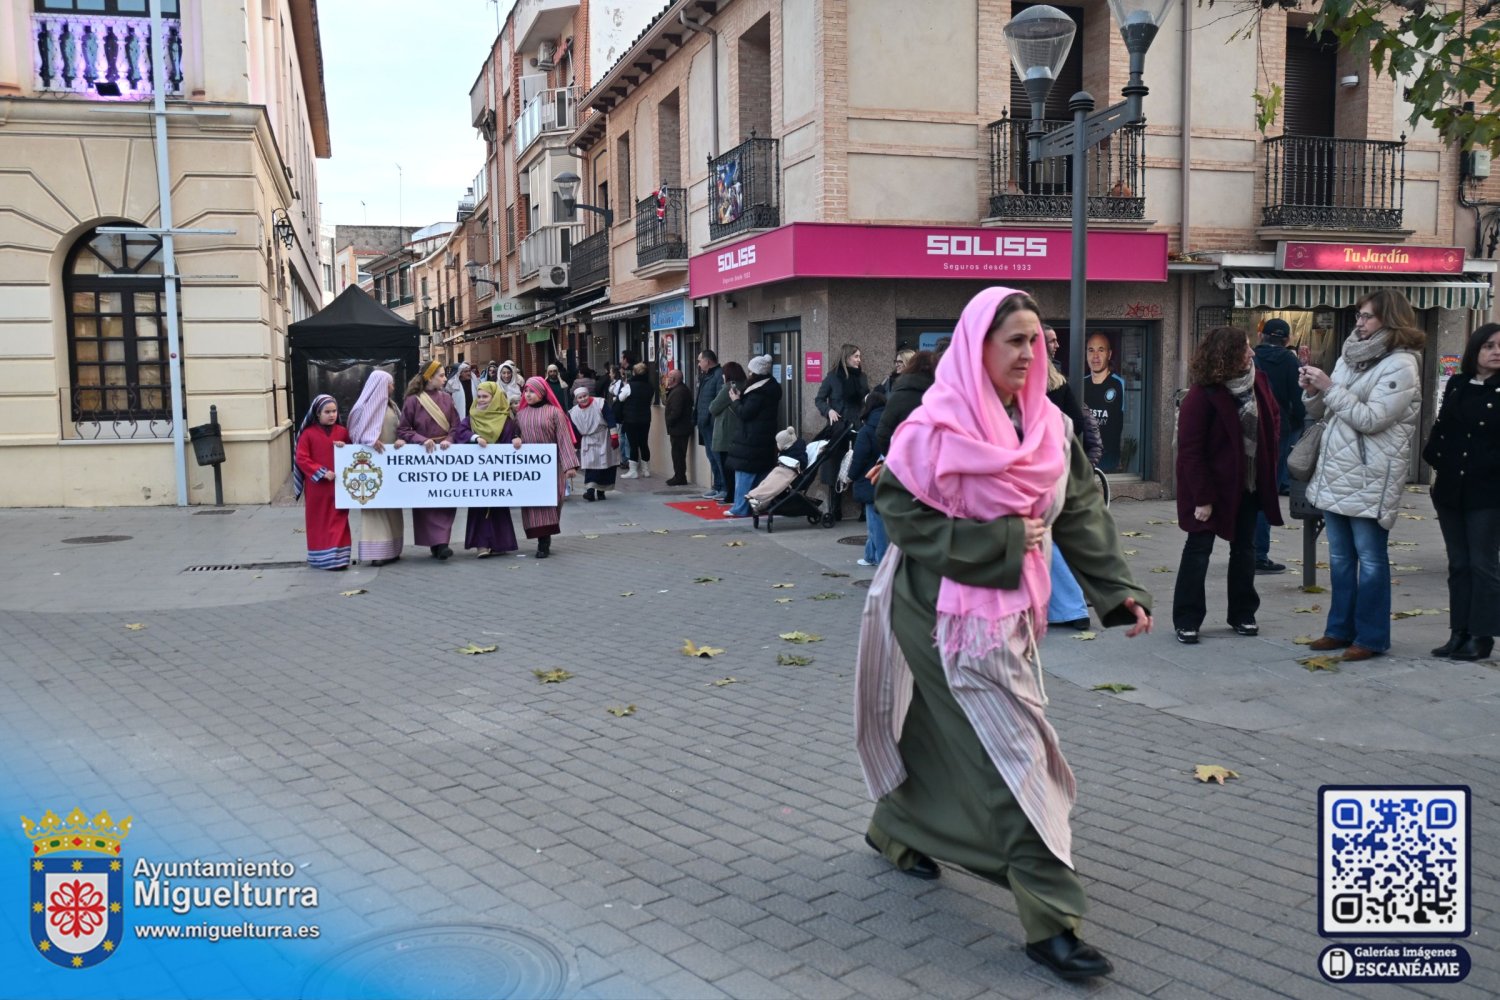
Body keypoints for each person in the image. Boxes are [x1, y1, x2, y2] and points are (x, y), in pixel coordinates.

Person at [854, 286, 1150, 983]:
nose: (1029, 351)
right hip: (937, 612)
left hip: (1009, 611)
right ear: (976, 346)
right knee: (1011, 755)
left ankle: (896, 827)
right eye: (1014, 339)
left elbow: (1080, 508)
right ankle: (1051, 919)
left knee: (941, 732)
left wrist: (1117, 590)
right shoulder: (933, 426)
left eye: (1035, 339)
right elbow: (901, 513)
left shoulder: (1049, 424)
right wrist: (1002, 541)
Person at [1300, 289, 1424, 661]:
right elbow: (1326, 412)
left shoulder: (1401, 364)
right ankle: (1338, 629)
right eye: (1358, 315)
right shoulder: (1350, 355)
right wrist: (1313, 392)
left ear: (1390, 319)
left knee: (1370, 560)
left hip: (1371, 474)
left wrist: (1330, 387)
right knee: (1339, 559)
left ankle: (1371, 637)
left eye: (1367, 316)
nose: (1359, 322)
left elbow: (1372, 419)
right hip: (1336, 470)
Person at [1171, 326, 1283, 644]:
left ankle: (1243, 614)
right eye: (1245, 347)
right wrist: (1203, 498)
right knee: (1199, 549)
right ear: (1228, 354)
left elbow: (1273, 418)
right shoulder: (1202, 394)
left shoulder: (1258, 381)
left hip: (1247, 483)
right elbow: (1191, 451)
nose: (1252, 352)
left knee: (1245, 548)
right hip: (1210, 486)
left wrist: (1265, 459)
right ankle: (1187, 618)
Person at [1422, 322, 1500, 661]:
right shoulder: (1457, 383)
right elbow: (1442, 426)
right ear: (1475, 349)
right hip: (1451, 488)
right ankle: (1459, 631)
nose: (1496, 352)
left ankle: (1481, 635)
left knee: (1483, 563)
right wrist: (1436, 458)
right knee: (1458, 564)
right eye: (1489, 345)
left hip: (1488, 491)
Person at [1043, 331, 1101, 631]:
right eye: (1051, 341)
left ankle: (1070, 607)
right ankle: (1068, 606)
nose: (1057, 345)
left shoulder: (1025, 383)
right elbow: (1076, 423)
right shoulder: (1058, 382)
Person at [1252, 318, 1306, 573]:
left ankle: (1244, 550)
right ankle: (1259, 555)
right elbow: (1299, 399)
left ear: (1261, 336)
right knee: (1268, 490)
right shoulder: (1289, 361)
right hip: (1279, 429)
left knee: (1249, 489)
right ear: (1287, 340)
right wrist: (1295, 424)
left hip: (1251, 427)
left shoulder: (1252, 358)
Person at [512, 376, 580, 558]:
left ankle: (545, 538)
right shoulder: (521, 415)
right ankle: (541, 540)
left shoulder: (555, 413)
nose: (528, 395)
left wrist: (569, 466)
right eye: (526, 391)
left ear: (542, 392)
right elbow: (515, 434)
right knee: (533, 504)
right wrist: (516, 439)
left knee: (551, 502)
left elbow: (563, 439)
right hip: (529, 469)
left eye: (532, 391)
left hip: (552, 467)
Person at [397, 360, 459, 560]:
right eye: (441, 375)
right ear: (429, 377)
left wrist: (450, 439)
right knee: (427, 500)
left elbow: (456, 426)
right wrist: (422, 440)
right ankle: (437, 544)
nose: (444, 379)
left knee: (446, 498)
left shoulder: (447, 399)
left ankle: (443, 542)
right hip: (424, 456)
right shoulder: (413, 401)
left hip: (445, 455)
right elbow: (403, 429)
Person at [453, 381, 519, 559]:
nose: (481, 400)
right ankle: (481, 544)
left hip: (497, 473)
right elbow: (460, 433)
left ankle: (499, 543)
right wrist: (475, 438)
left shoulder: (505, 420)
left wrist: (516, 439)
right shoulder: (472, 417)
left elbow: (511, 437)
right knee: (479, 507)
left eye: (485, 397)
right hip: (477, 474)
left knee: (498, 507)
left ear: (495, 398)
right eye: (479, 396)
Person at [345, 369, 405, 566]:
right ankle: (377, 553)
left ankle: (392, 550)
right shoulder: (361, 408)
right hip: (371, 468)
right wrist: (368, 440)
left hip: (392, 466)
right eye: (390, 384)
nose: (393, 387)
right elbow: (354, 434)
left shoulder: (392, 406)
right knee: (375, 509)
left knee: (392, 507)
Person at [293, 394, 352, 571]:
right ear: (318, 413)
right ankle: (321, 558)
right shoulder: (308, 434)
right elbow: (301, 458)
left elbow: (354, 453)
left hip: (339, 486)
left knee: (339, 519)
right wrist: (321, 472)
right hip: (317, 488)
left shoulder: (342, 432)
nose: (332, 415)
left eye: (334, 411)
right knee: (319, 521)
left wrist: (345, 447)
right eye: (327, 412)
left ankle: (339, 559)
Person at [814, 343, 869, 520]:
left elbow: (866, 399)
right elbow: (819, 399)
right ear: (846, 358)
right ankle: (835, 508)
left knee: (861, 464)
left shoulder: (862, 377)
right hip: (839, 426)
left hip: (858, 426)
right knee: (835, 464)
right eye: (856, 356)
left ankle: (863, 509)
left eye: (859, 356)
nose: (859, 360)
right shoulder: (832, 377)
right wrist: (828, 411)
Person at [724, 354, 782, 518]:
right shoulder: (770, 387)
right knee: (758, 476)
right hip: (761, 438)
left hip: (751, 438)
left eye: (750, 372)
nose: (748, 374)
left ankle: (740, 507)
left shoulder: (758, 392)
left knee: (744, 475)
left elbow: (745, 413)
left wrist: (736, 400)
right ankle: (755, 506)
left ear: (756, 373)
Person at [847, 390, 887, 566]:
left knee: (875, 523)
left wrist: (850, 476)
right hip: (888, 478)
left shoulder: (866, 430)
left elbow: (859, 458)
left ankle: (880, 559)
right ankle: (870, 555)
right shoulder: (889, 426)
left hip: (870, 479)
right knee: (877, 522)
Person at [875, 350, 937, 456]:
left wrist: (893, 456)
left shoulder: (900, 391)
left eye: (900, 361)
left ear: (910, 363)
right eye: (896, 361)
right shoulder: (941, 394)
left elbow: (882, 433)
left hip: (903, 455)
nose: (897, 364)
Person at [1082, 332, 1126, 472]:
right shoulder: (1080, 384)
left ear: (1109, 354)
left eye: (1101, 350)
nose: (1095, 356)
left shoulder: (1120, 385)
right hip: (1084, 463)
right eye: (1091, 350)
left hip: (1110, 464)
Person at [569, 384, 619, 501]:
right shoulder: (573, 412)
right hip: (587, 440)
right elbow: (574, 431)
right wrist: (575, 445)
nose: (583, 399)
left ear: (588, 395)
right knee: (590, 466)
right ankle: (590, 492)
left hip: (603, 437)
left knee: (604, 465)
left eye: (585, 396)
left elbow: (610, 418)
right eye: (580, 397)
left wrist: (614, 436)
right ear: (577, 399)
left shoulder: (600, 403)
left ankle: (601, 492)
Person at [709, 361, 746, 505]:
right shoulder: (745, 385)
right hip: (739, 432)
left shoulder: (729, 387)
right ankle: (734, 493)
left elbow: (713, 407)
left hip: (727, 432)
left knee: (727, 467)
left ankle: (730, 495)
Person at [695, 350, 726, 499]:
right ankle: (717, 485)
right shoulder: (706, 376)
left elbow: (719, 400)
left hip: (713, 423)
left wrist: (709, 417)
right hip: (704, 423)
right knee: (711, 457)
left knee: (718, 457)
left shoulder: (719, 375)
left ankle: (724, 487)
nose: (698, 364)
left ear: (707, 361)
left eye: (700, 360)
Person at [619, 362, 654, 479]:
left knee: (633, 444)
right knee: (644, 443)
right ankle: (646, 470)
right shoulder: (650, 386)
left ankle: (633, 471)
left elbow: (620, 398)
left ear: (635, 372)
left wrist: (624, 386)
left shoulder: (630, 386)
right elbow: (650, 401)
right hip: (645, 418)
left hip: (631, 419)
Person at [663, 368, 694, 486]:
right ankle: (678, 475)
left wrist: (669, 421)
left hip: (679, 428)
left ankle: (680, 477)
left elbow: (676, 411)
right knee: (677, 454)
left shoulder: (679, 392)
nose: (667, 379)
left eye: (669, 377)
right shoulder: (677, 390)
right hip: (678, 428)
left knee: (678, 454)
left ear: (674, 379)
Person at [606, 362, 632, 468]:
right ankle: (622, 458)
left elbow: (619, 397)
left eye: (611, 372)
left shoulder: (621, 384)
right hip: (616, 411)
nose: (609, 374)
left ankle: (624, 459)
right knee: (620, 436)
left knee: (622, 436)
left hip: (620, 412)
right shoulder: (615, 383)